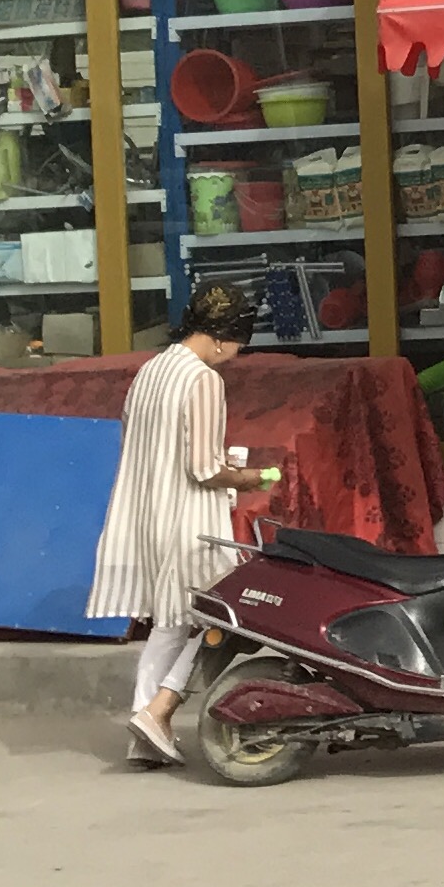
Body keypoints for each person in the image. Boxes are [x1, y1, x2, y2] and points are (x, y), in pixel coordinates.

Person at [89, 281, 277, 766]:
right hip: (189, 517)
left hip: (147, 512)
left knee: (170, 624)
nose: (237, 354)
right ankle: (161, 709)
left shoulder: (152, 370)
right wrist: (250, 477)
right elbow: (204, 469)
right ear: (221, 336)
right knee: (225, 618)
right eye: (238, 343)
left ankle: (144, 732)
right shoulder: (203, 379)